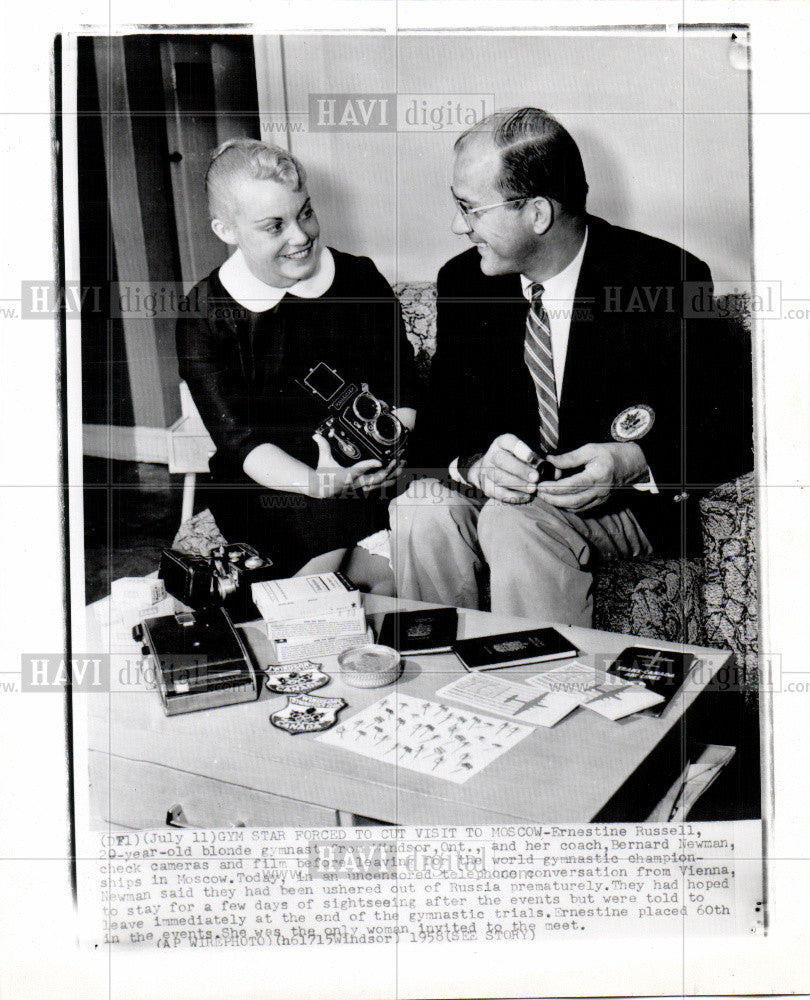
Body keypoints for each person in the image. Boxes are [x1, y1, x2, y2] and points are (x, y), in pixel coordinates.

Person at [390, 108, 752, 625]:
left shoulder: (666, 277)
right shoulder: (465, 282)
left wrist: (631, 460)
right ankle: (441, 692)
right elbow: (442, 426)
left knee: (514, 521)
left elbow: (731, 425)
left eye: (470, 209)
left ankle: (540, 695)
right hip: (512, 499)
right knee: (420, 511)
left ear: (537, 213)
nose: (457, 226)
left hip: (624, 506)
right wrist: (475, 464)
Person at [176, 138, 418, 584]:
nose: (301, 235)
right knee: (327, 551)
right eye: (275, 226)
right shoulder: (205, 314)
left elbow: (400, 381)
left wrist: (391, 448)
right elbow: (239, 440)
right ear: (227, 231)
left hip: (367, 471)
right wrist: (317, 482)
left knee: (387, 572)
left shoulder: (360, 279)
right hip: (267, 481)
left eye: (304, 212)